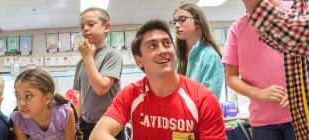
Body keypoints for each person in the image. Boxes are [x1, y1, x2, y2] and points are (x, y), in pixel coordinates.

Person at [90, 19, 226, 140]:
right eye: (152, 46)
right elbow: (97, 135)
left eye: (167, 43)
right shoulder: (130, 94)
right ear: (139, 60)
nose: (162, 50)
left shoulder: (203, 99)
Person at [241, 0, 309, 139]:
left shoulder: (294, 8)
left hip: (293, 118)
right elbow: (300, 50)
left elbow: (308, 36)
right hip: (269, 118)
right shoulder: (240, 26)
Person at [222, 1, 295, 139]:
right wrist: (259, 93)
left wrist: (299, 94)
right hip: (262, 122)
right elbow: (231, 78)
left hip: (300, 114)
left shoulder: (296, 11)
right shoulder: (238, 28)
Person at [74, 7, 125, 140]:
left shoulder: (112, 55)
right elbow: (81, 96)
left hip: (109, 122)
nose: (85, 28)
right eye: (82, 26)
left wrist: (88, 58)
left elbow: (101, 88)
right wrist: (78, 120)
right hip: (85, 123)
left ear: (106, 27)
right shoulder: (81, 62)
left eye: (91, 24)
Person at [10, 69, 83, 140]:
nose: (21, 102)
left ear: (47, 98)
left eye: (28, 96)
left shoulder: (64, 114)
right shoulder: (19, 119)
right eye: (18, 96)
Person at [171, 4, 224, 98]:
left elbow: (211, 100)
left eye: (182, 20)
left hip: (199, 112)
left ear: (198, 23)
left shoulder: (210, 56)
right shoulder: (175, 55)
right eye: (174, 22)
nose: (176, 25)